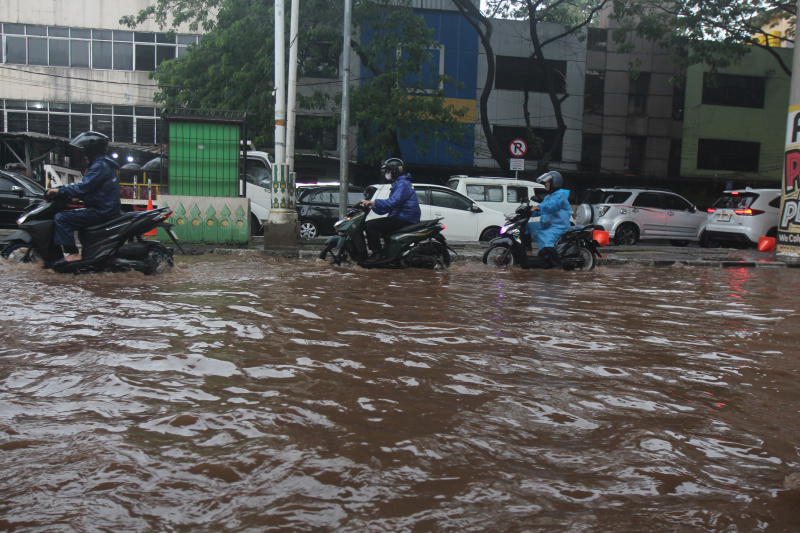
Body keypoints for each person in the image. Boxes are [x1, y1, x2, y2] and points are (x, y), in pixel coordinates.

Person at [46, 131, 122, 263]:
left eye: (83, 149)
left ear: (90, 149)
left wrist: (59, 191)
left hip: (101, 210)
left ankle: (73, 253)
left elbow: (83, 187)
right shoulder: (104, 164)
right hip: (105, 208)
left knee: (62, 218)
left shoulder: (99, 165)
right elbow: (93, 189)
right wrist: (74, 196)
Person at [361, 158, 421, 263]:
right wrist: (373, 207)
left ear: (394, 171)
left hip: (405, 217)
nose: (387, 173)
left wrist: (374, 202)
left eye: (388, 171)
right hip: (400, 215)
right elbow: (389, 206)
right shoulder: (398, 183)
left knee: (370, 225)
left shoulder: (402, 184)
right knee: (380, 227)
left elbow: (393, 202)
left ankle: (377, 254)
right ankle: (387, 254)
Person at [527, 171, 571, 269]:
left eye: (548, 182)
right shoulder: (548, 197)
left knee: (545, 238)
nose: (546, 184)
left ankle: (558, 266)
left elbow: (551, 207)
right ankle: (528, 252)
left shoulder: (561, 196)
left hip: (558, 226)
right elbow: (541, 209)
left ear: (555, 183)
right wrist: (527, 212)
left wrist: (538, 208)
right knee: (526, 228)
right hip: (546, 224)